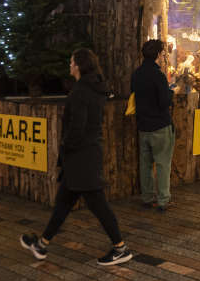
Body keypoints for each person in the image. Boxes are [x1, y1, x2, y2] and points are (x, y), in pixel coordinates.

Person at [21, 48, 133, 265]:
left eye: (72, 62)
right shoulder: (95, 88)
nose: (69, 65)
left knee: (98, 204)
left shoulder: (81, 91)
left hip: (82, 158)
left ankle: (121, 248)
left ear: (79, 66)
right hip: (85, 155)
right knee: (63, 203)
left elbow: (77, 127)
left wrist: (66, 146)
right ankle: (42, 244)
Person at [131, 39, 175, 211]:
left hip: (143, 126)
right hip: (160, 126)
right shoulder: (158, 76)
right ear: (157, 54)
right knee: (163, 164)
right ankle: (163, 200)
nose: (163, 57)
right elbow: (164, 102)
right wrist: (171, 92)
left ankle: (147, 197)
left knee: (146, 164)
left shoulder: (137, 74)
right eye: (163, 54)